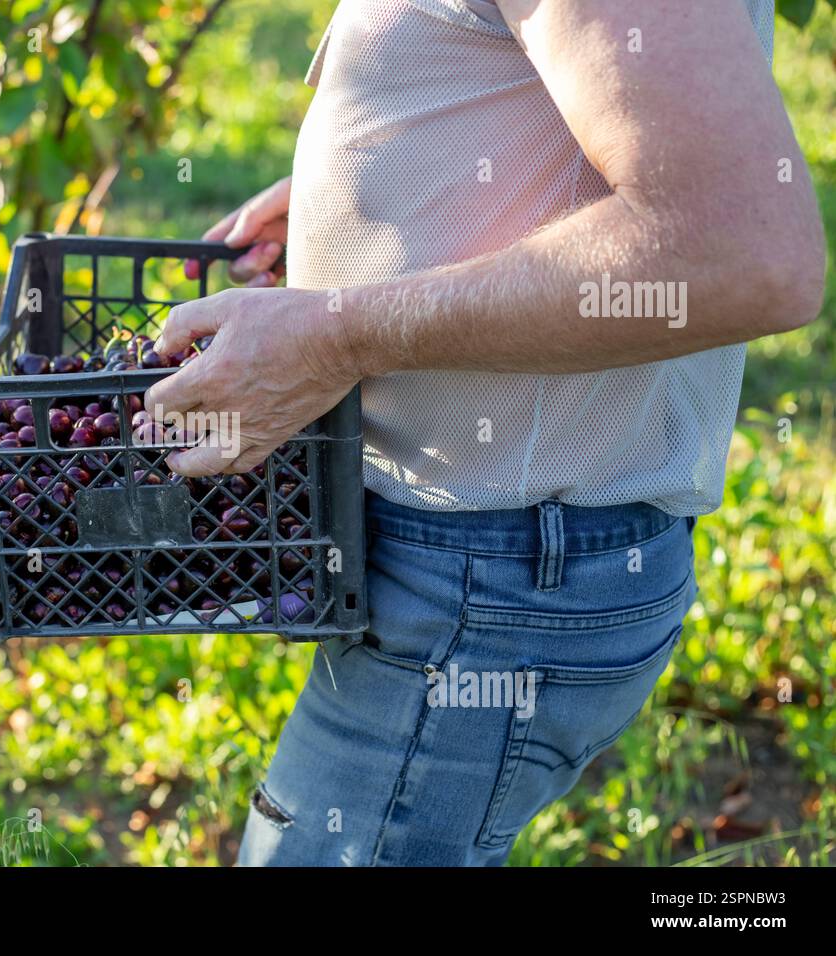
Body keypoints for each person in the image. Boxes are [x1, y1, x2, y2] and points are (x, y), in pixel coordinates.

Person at [143, 0, 826, 866]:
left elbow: (740, 252)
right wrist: (362, 204)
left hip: (489, 583)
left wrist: (340, 330)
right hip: (470, 566)